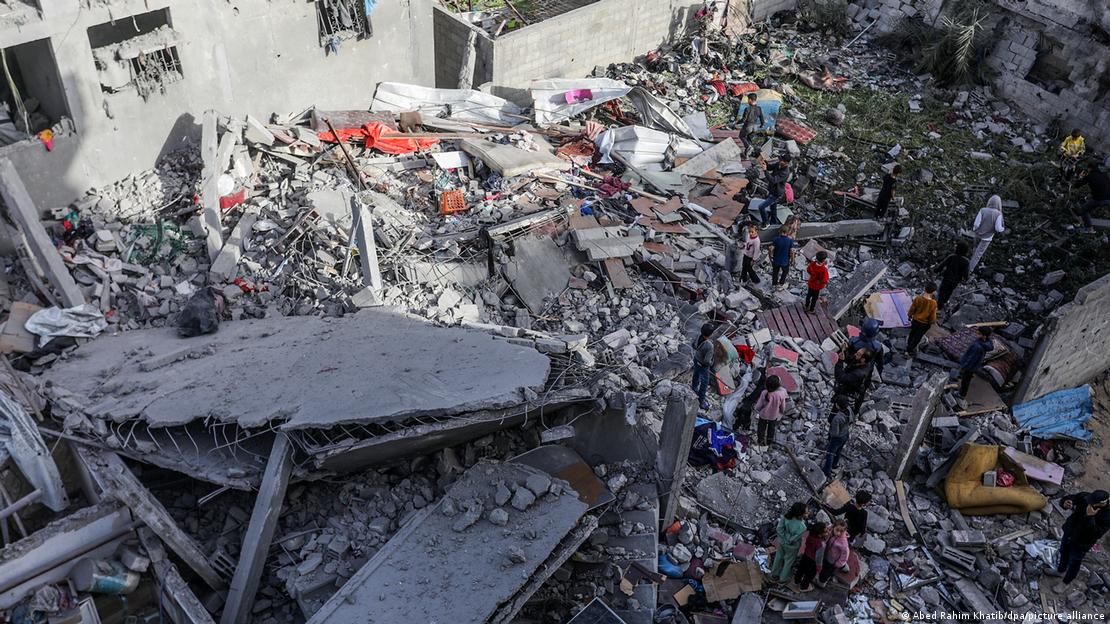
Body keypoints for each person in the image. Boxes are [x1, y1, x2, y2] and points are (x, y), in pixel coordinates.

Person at [1056, 490, 1110, 584]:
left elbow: (1096, 534)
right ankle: (1060, 571)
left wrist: (1090, 517)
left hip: (1081, 543)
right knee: (1063, 552)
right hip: (1069, 533)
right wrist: (1065, 502)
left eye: (1091, 502)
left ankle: (1066, 582)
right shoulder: (1086, 497)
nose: (1088, 503)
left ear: (1102, 503)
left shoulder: (1107, 516)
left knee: (1074, 562)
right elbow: (1072, 498)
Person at [771, 502, 809, 583]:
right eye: (805, 512)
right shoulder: (802, 527)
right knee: (788, 562)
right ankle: (782, 579)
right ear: (800, 514)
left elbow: (779, 529)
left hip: (781, 542)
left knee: (778, 557)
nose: (807, 513)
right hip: (792, 547)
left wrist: (783, 537)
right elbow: (793, 539)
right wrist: (788, 538)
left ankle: (774, 575)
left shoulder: (786, 517)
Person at [955, 326, 993, 399]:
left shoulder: (977, 347)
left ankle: (962, 394)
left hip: (970, 367)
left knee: (965, 380)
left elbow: (971, 359)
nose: (977, 334)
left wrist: (963, 367)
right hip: (976, 365)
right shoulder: (988, 342)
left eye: (979, 333)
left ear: (984, 336)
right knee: (967, 377)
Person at [969, 195, 1005, 272]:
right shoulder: (998, 214)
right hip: (987, 238)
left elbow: (976, 224)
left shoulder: (982, 210)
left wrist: (975, 231)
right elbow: (998, 229)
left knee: (974, 250)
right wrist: (1003, 229)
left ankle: (967, 263)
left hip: (977, 234)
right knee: (978, 255)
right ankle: (969, 270)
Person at [822, 395, 854, 477]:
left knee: (830, 453)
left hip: (837, 438)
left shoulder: (837, 418)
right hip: (845, 434)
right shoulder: (849, 409)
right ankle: (834, 464)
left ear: (838, 405)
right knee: (839, 450)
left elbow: (834, 433)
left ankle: (827, 471)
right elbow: (851, 420)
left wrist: (830, 429)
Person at [834, 347, 872, 415]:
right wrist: (845, 350)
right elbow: (850, 359)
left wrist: (840, 362)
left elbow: (840, 378)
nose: (855, 354)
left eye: (858, 354)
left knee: (839, 413)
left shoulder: (859, 373)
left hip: (849, 396)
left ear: (863, 359)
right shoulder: (864, 363)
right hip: (851, 389)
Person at [757, 155, 792, 228]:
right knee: (773, 208)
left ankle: (766, 223)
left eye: (781, 160)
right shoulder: (778, 164)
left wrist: (765, 171)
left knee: (761, 207)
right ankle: (774, 222)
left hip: (777, 194)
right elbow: (769, 167)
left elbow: (773, 180)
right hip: (772, 190)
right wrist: (764, 162)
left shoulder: (785, 172)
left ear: (786, 163)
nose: (779, 161)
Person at [753, 374, 787, 448]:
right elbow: (783, 407)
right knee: (771, 428)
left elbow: (759, 405)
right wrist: (782, 411)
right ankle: (769, 441)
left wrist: (757, 409)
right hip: (773, 415)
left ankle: (760, 441)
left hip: (763, 414)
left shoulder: (764, 393)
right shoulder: (781, 394)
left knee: (761, 427)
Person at [934, 242, 970, 311]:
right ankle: (943, 303)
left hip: (947, 278)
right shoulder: (966, 261)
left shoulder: (952, 257)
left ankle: (938, 307)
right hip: (955, 281)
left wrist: (936, 270)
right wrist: (966, 279)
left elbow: (942, 265)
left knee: (941, 293)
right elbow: (966, 274)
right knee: (949, 292)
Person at [906, 282, 938, 356]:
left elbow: (912, 309)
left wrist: (910, 316)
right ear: (933, 292)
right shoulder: (933, 303)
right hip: (924, 324)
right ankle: (909, 350)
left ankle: (908, 344)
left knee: (912, 333)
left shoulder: (918, 298)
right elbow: (932, 316)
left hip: (915, 320)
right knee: (917, 337)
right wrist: (932, 322)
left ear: (925, 289)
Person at [1075, 162, 1110, 231]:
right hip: (1109, 198)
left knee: (1084, 209)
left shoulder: (1090, 176)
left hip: (1099, 199)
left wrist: (1078, 180)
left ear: (1090, 168)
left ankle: (1089, 228)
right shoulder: (1104, 175)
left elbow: (1078, 185)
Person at [794, 521, 828, 592]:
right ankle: (803, 587)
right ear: (819, 534)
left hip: (805, 556)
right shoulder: (821, 544)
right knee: (809, 576)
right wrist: (819, 567)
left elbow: (806, 543)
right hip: (813, 561)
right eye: (825, 531)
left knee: (801, 570)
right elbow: (819, 557)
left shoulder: (810, 535)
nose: (827, 532)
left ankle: (796, 581)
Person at [817, 520, 851, 585]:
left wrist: (839, 563)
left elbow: (845, 555)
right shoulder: (830, 529)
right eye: (837, 530)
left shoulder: (843, 543)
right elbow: (826, 529)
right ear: (833, 527)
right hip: (826, 553)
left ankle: (821, 582)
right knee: (823, 564)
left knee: (826, 572)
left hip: (833, 560)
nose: (838, 533)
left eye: (841, 531)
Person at [692, 322, 716, 410]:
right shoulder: (710, 346)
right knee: (704, 383)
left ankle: (693, 389)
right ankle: (701, 401)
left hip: (696, 359)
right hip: (703, 365)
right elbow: (707, 360)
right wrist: (712, 362)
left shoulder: (699, 336)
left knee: (696, 375)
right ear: (710, 334)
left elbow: (693, 345)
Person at [738, 93, 765, 157]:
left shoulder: (747, 109)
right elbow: (762, 117)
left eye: (748, 99)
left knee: (741, 136)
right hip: (755, 127)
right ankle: (746, 154)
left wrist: (737, 122)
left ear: (750, 100)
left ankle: (749, 147)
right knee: (749, 139)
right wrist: (762, 124)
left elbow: (744, 119)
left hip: (748, 126)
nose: (747, 101)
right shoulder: (759, 108)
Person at [769, 226, 795, 290]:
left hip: (776, 260)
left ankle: (774, 284)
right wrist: (792, 260)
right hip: (785, 261)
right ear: (787, 232)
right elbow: (792, 251)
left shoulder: (775, 239)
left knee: (775, 272)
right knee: (785, 272)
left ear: (780, 232)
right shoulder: (790, 241)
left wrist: (770, 257)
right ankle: (781, 283)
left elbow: (771, 249)